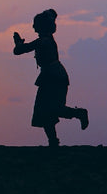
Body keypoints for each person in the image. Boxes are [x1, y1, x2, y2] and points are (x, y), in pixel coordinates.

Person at [13, 9, 89, 147]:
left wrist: (18, 44)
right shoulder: (45, 40)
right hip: (51, 76)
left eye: (35, 24)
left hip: (54, 77)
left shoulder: (44, 41)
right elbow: (20, 50)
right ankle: (53, 141)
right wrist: (19, 45)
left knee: (53, 109)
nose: (33, 27)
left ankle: (79, 113)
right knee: (44, 111)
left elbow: (20, 50)